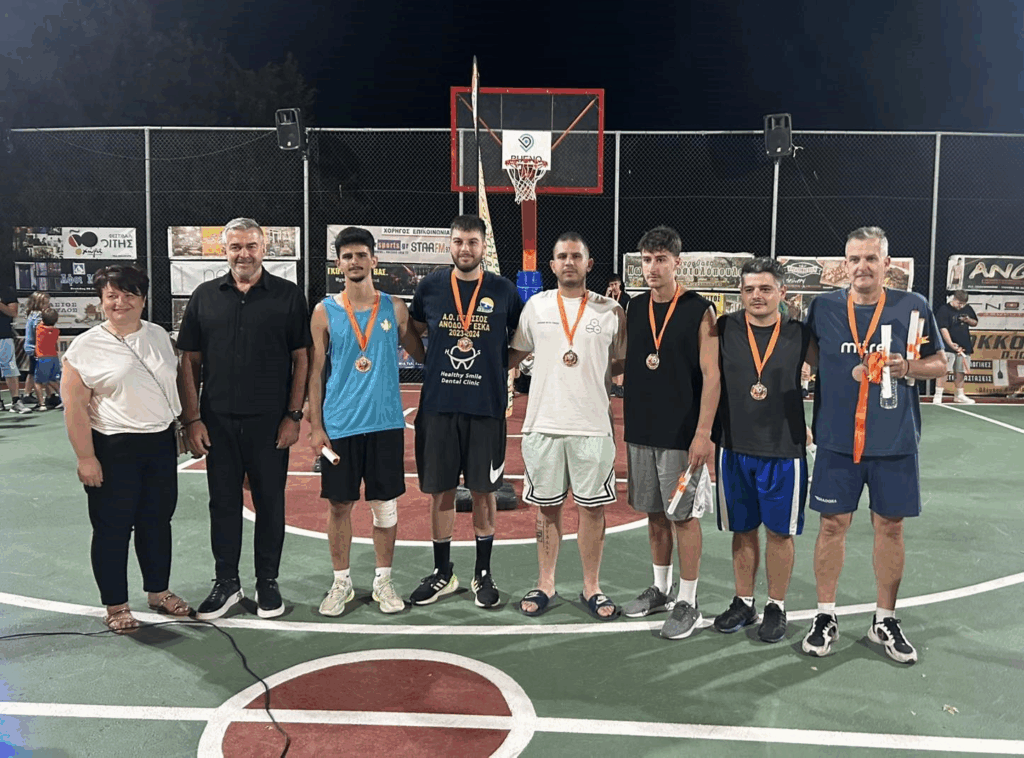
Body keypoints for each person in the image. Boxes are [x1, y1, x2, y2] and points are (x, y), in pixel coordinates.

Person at [801, 226, 946, 664]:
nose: (862, 266)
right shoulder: (823, 307)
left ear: (887, 264)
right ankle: (825, 615)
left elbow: (940, 363)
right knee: (831, 526)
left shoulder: (912, 306)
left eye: (870, 258)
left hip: (893, 439)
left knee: (891, 528)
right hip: (837, 441)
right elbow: (806, 359)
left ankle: (885, 618)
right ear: (844, 265)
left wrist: (908, 368)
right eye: (854, 259)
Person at [178, 218, 311, 620]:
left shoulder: (288, 296)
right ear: (225, 250)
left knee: (270, 504)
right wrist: (192, 420)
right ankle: (226, 582)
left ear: (264, 249)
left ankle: (267, 581)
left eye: (251, 246)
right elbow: (189, 362)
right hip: (216, 424)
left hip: (270, 425)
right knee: (223, 504)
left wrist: (293, 416)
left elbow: (302, 359)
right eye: (235, 247)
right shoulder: (204, 297)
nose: (244, 254)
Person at [61, 265, 191, 633]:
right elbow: (75, 409)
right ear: (101, 301)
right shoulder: (85, 347)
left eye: (130, 294)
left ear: (143, 299)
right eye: (112, 296)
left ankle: (158, 591)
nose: (121, 302)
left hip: (159, 444)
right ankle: (116, 604)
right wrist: (86, 457)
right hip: (112, 447)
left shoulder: (159, 336)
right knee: (112, 529)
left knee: (157, 523)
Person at [509, 233, 626, 620]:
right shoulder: (536, 306)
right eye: (562, 256)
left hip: (592, 425)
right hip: (543, 423)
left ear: (589, 264)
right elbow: (515, 354)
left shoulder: (610, 310)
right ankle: (545, 583)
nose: (569, 262)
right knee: (547, 508)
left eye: (577, 255)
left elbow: (622, 360)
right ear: (553, 264)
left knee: (592, 510)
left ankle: (592, 586)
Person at [308, 227, 425, 616]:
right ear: (338, 263)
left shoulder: (395, 308)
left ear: (374, 260)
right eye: (347, 256)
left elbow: (424, 354)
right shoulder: (324, 312)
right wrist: (316, 427)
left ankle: (383, 581)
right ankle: (341, 582)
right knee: (339, 506)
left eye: (361, 255)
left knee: (384, 507)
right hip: (340, 424)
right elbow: (315, 373)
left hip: (385, 423)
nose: (354, 261)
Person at [409, 214, 522, 608]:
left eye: (472, 242)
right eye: (458, 241)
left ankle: (483, 573)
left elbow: (522, 338)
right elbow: (412, 330)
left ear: (483, 245)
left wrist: (498, 365)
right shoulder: (431, 286)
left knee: (483, 492)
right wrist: (427, 360)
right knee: (440, 491)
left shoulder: (504, 290)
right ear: (450, 244)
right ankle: (443, 572)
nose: (465, 249)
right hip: (438, 407)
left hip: (485, 409)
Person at [620, 226, 721, 640]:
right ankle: (661, 589)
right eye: (646, 260)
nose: (652, 268)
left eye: (661, 260)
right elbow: (624, 362)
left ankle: (689, 600)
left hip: (681, 433)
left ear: (677, 263)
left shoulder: (699, 310)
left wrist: (703, 433)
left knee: (683, 517)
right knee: (654, 513)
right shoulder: (633, 307)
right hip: (641, 428)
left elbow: (712, 376)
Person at [711, 257, 813, 644]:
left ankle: (776, 605)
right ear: (741, 293)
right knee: (742, 530)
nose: (757, 295)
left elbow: (834, 374)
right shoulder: (724, 328)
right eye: (750, 289)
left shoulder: (800, 334)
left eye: (766, 288)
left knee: (780, 533)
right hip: (734, 446)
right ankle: (744, 601)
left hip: (784, 448)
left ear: (782, 292)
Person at [932, 289, 977, 405]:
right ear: (954, 299)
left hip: (964, 345)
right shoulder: (944, 309)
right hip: (948, 346)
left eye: (963, 304)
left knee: (960, 370)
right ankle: (938, 394)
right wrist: (950, 343)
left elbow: (975, 322)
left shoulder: (967, 309)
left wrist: (968, 320)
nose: (961, 306)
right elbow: (943, 328)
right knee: (945, 370)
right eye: (959, 303)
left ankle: (959, 395)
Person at [0, 284, 29, 413]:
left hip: (3, 336)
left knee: (10, 368)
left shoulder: (6, 290)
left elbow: (13, 312)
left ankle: (16, 401)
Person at [22, 291, 50, 410]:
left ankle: (27, 393)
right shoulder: (38, 315)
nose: (47, 305)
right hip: (35, 347)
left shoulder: (31, 314)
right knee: (40, 372)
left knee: (32, 371)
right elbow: (38, 330)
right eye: (45, 303)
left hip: (31, 346)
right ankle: (46, 397)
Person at [33, 308, 63, 409]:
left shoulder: (39, 328)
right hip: (54, 358)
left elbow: (40, 323)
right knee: (52, 380)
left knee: (37, 382)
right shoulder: (56, 331)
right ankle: (64, 399)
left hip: (43, 358)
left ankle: (42, 404)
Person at [606, 275, 630, 398]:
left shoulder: (625, 297)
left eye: (615, 284)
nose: (613, 287)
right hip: (610, 330)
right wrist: (606, 295)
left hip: (621, 330)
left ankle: (620, 386)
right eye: (611, 285)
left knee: (620, 357)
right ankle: (614, 385)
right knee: (611, 357)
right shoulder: (608, 298)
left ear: (620, 284)